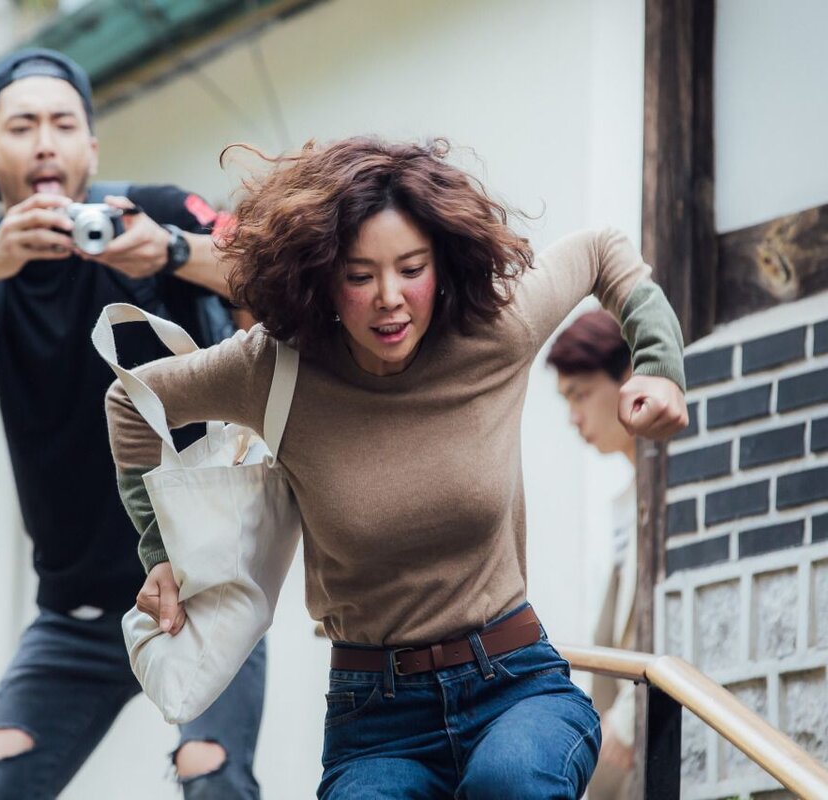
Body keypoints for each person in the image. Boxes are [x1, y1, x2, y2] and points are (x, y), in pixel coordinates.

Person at [105, 137, 688, 798]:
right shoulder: (275, 370)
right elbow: (130, 401)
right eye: (359, 276)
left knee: (511, 782)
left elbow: (602, 250)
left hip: (515, 685)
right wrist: (158, 554)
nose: (389, 297)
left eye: (411, 268)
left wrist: (660, 367)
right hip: (375, 717)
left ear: (442, 264)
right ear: (323, 276)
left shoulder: (494, 330)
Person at [0, 48, 264, 800]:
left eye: (63, 123)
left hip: (211, 583)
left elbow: (282, 270)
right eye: (22, 127)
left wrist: (173, 250)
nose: (45, 142)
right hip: (79, 615)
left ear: (92, 145)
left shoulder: (160, 211)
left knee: (212, 781)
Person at [548, 309, 642, 800]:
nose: (574, 417)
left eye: (581, 395)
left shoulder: (665, 493)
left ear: (626, 378)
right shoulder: (625, 499)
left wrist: (627, 722)